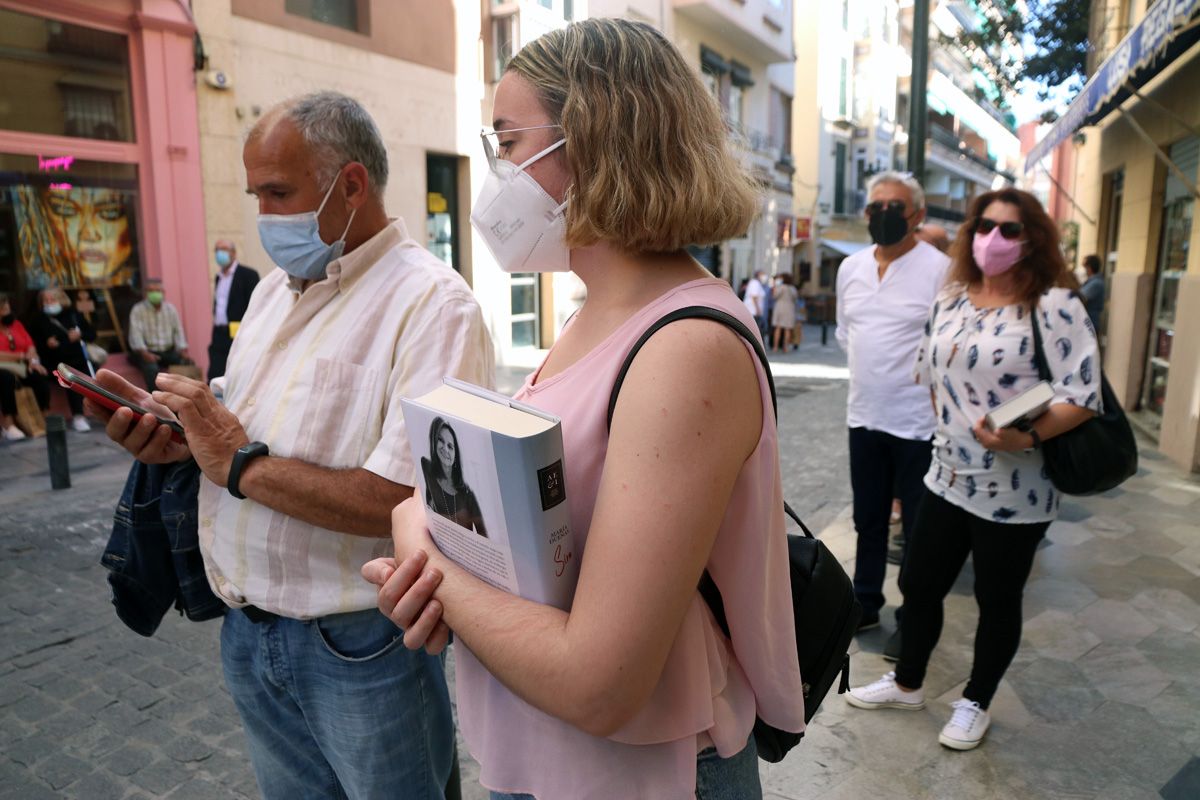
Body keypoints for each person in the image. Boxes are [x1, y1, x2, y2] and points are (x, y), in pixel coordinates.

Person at [364, 19, 804, 799]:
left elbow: (600, 681)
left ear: (595, 140)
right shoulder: (594, 311)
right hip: (554, 757)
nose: (497, 168)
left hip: (646, 771)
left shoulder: (685, 347)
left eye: (507, 140)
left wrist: (422, 552)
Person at [87, 91, 494, 799]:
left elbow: (412, 499)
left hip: (360, 645)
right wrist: (179, 441)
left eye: (279, 192)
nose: (264, 217)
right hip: (249, 631)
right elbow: (243, 435)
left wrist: (239, 464)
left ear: (352, 185)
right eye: (256, 195)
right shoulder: (274, 291)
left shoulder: (435, 307)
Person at [846, 188, 1100, 751]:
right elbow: (929, 369)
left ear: (1033, 238)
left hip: (1017, 488)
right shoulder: (953, 295)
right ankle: (908, 682)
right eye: (985, 226)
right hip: (946, 475)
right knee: (918, 582)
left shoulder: (1055, 304)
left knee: (997, 598)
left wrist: (1024, 433)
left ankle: (974, 702)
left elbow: (1082, 393)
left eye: (1010, 230)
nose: (994, 239)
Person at [835, 171, 951, 653]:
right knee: (869, 520)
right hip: (864, 417)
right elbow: (847, 333)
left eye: (895, 206)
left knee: (920, 533)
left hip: (920, 425)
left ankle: (912, 616)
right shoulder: (851, 268)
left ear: (917, 216)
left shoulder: (941, 269)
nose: (883, 214)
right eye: (875, 206)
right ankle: (864, 603)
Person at [28, 287, 96, 431]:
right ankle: (79, 416)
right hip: (53, 362)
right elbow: (32, 345)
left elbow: (91, 334)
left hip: (79, 359)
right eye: (45, 301)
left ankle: (104, 412)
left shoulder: (73, 315)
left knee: (94, 379)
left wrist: (79, 335)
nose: (48, 303)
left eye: (52, 300)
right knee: (69, 377)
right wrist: (47, 344)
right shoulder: (38, 320)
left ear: (61, 300)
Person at [423, 418, 487, 536]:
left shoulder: (468, 495)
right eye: (440, 440)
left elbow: (483, 534)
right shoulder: (426, 469)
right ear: (434, 441)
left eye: (451, 446)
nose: (445, 449)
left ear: (455, 454)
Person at [207, 240, 260, 381]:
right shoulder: (219, 277)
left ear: (234, 253)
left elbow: (256, 306)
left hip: (238, 332)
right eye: (217, 250)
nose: (220, 253)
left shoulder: (248, 275)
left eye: (224, 249)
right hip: (219, 333)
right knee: (215, 375)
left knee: (237, 375)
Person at [0, 292, 50, 440]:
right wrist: (20, 356)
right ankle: (8, 426)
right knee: (6, 379)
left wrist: (33, 362)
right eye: (2, 307)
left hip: (21, 367)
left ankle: (44, 419)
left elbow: (30, 346)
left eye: (7, 305)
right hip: (3, 368)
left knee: (39, 376)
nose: (6, 308)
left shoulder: (16, 324)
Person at [126, 278, 190, 390]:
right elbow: (135, 335)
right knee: (151, 369)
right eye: (151, 291)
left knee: (186, 363)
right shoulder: (138, 310)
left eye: (157, 290)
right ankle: (155, 401)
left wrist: (182, 349)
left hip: (167, 351)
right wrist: (145, 353)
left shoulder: (170, 309)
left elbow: (178, 330)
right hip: (145, 352)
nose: (155, 293)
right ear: (146, 293)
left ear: (163, 293)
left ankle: (181, 398)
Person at [771, 272, 798, 352]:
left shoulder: (781, 287)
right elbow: (795, 298)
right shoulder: (793, 288)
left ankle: (775, 347)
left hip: (780, 308)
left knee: (778, 328)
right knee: (787, 329)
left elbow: (774, 296)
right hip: (789, 309)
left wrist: (775, 287)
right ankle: (785, 347)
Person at [1079, 253, 1104, 331]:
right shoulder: (1091, 281)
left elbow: (1080, 297)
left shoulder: (1096, 283)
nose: (1083, 270)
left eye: (1084, 267)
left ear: (1089, 268)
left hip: (1091, 323)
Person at [743, 269, 768, 338]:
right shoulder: (755, 283)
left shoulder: (756, 283)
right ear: (758, 275)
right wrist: (758, 309)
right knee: (756, 331)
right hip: (753, 311)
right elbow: (754, 297)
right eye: (762, 274)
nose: (764, 276)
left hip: (754, 311)